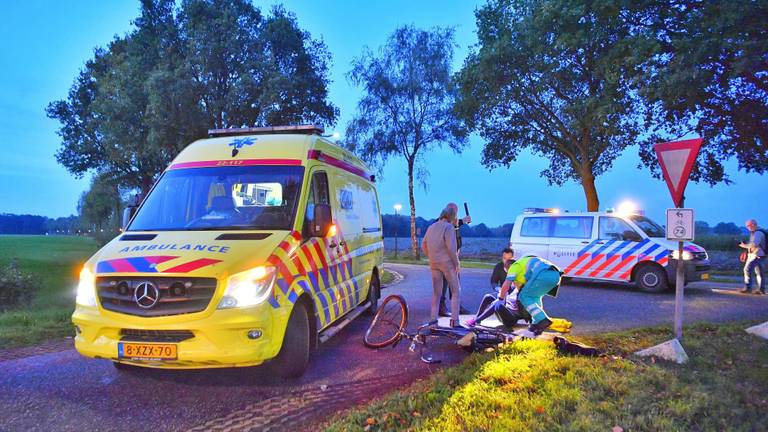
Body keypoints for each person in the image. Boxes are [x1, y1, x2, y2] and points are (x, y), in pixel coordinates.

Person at [500, 254, 563, 335]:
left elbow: (507, 283)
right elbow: (523, 286)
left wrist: (500, 298)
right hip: (555, 275)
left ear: (508, 268)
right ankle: (536, 323)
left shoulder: (514, 266)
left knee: (523, 296)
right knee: (534, 297)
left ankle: (542, 320)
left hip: (542, 274)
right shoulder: (524, 266)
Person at [422, 206, 462, 327]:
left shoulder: (431, 227)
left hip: (434, 263)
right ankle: (455, 321)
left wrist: (431, 256)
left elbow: (423, 244)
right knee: (456, 290)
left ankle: (433, 320)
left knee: (436, 293)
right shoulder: (448, 227)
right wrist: (457, 263)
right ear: (452, 216)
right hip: (447, 263)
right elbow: (451, 248)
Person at [437, 202, 471, 317]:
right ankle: (441, 307)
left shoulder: (453, 223)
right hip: (446, 260)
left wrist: (461, 222)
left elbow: (457, 240)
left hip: (453, 258)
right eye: (454, 212)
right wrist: (460, 222)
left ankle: (456, 306)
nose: (455, 214)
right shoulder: (441, 223)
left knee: (455, 284)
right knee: (444, 284)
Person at [739, 219, 766, 294]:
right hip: (761, 255)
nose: (747, 227)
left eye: (748, 225)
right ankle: (761, 289)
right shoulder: (759, 232)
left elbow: (754, 244)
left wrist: (743, 246)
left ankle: (748, 288)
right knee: (759, 272)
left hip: (757, 255)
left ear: (753, 225)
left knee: (747, 269)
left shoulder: (757, 233)